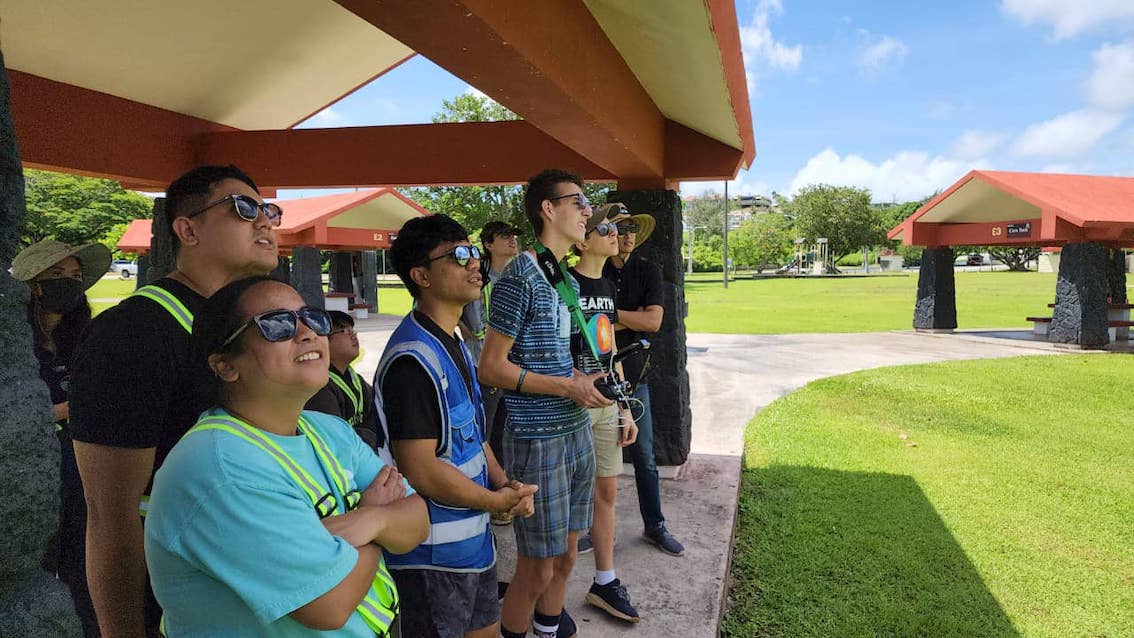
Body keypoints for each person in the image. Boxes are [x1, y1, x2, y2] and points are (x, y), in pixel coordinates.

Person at [144, 276, 428, 636]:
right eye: (277, 324)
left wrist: (370, 520)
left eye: (313, 317)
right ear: (226, 366)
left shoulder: (328, 431)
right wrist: (378, 520)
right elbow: (330, 604)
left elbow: (418, 520)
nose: (308, 332)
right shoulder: (221, 468)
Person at [69, 164, 282, 637]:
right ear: (187, 229)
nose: (265, 221)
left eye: (269, 210)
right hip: (175, 608)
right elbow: (110, 513)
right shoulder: (131, 334)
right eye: (244, 209)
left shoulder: (251, 328)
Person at [376, 214, 537, 638]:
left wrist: (506, 485)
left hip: (473, 548)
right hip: (431, 560)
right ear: (421, 276)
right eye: (458, 255)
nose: (474, 264)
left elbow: (474, 436)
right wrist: (493, 501)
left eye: (473, 252)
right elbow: (422, 469)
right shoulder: (413, 360)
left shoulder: (455, 340)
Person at [479, 169, 611, 638]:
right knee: (537, 565)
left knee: (570, 553)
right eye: (578, 202)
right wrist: (567, 387)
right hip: (536, 437)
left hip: (574, 426)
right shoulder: (520, 275)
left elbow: (554, 359)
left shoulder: (562, 278)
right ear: (548, 209)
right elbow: (490, 367)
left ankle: (549, 628)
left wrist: (582, 381)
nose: (588, 211)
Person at [13, 239, 112, 637]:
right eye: (56, 276)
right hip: (26, 470)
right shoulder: (13, 343)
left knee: (82, 558)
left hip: (81, 465)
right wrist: (65, 410)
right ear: (32, 284)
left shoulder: (86, 337)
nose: (69, 284)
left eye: (75, 276)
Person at [567, 204, 641, 623]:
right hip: (574, 406)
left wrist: (626, 407)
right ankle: (549, 592)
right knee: (571, 501)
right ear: (583, 239)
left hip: (609, 405)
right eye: (606, 227)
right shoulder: (564, 284)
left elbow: (610, 351)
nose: (616, 232)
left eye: (616, 226)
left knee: (607, 495)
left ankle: (605, 580)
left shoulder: (608, 287)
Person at [602, 207, 686, 557]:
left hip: (635, 376)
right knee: (598, 461)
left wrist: (611, 318)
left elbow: (653, 322)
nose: (628, 235)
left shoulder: (647, 270)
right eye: (621, 228)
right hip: (596, 374)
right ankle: (594, 529)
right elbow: (587, 324)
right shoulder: (596, 271)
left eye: (632, 228)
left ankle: (655, 525)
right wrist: (623, 321)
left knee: (644, 456)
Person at [458, 220, 522, 524]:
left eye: (514, 236)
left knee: (508, 430)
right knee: (486, 431)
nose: (512, 240)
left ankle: (507, 491)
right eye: (504, 236)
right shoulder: (474, 276)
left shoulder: (521, 275)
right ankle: (493, 498)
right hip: (481, 367)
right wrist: (464, 329)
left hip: (516, 366)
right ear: (488, 244)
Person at [305, 310, 386, 455]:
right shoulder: (320, 387)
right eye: (344, 330)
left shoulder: (354, 379)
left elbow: (380, 412)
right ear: (324, 340)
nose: (353, 335)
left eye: (352, 330)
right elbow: (338, 439)